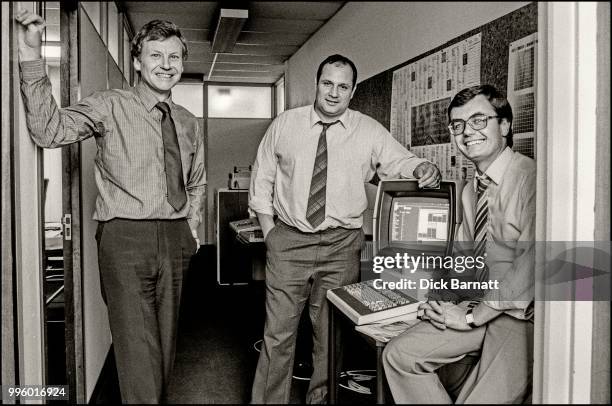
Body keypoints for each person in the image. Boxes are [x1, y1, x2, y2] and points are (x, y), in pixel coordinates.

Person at [15, 10, 205, 403]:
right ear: (137, 61)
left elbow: (196, 179)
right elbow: (48, 131)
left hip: (175, 237)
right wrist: (31, 55)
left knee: (164, 347)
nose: (166, 65)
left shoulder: (187, 120)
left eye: (174, 57)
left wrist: (193, 227)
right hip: (125, 237)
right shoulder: (110, 105)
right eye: (156, 56)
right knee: (137, 348)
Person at [248, 54, 441, 404]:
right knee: (277, 334)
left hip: (341, 245)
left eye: (343, 86)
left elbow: (399, 161)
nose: (334, 93)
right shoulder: (285, 125)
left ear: (352, 91)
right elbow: (261, 180)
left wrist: (422, 167)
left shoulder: (368, 130)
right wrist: (270, 233)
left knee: (330, 334)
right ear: (317, 84)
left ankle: (320, 399)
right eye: (328, 84)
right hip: (288, 241)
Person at [382, 84, 535, 403]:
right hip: (478, 302)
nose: (467, 132)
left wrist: (468, 317)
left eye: (479, 120)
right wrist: (437, 300)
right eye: (458, 124)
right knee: (398, 356)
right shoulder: (470, 191)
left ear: (504, 126)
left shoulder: (530, 179)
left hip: (522, 314)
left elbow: (531, 267)